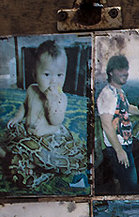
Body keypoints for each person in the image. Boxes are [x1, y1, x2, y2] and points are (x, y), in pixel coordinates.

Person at [2, 39, 86, 188]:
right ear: (35, 75)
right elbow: (25, 105)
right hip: (29, 137)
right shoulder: (31, 90)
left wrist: (51, 104)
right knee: (6, 144)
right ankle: (28, 163)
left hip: (50, 142)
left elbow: (56, 121)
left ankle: (45, 170)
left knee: (52, 160)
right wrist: (18, 117)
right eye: (47, 75)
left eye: (60, 75)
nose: (54, 81)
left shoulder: (62, 99)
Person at [96, 53, 139, 193]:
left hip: (124, 145)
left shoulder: (119, 91)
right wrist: (119, 150)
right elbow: (106, 124)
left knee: (123, 181)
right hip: (117, 147)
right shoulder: (107, 95)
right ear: (111, 72)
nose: (125, 72)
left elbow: (127, 107)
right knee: (130, 186)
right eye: (120, 69)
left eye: (126, 69)